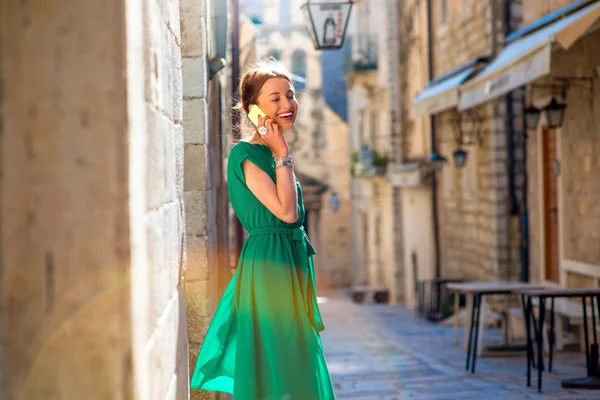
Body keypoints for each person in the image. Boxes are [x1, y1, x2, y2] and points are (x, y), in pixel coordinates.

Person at [190, 63, 335, 400]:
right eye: (275, 98)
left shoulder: (273, 154)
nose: (288, 104)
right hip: (270, 265)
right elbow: (286, 212)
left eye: (290, 95)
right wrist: (283, 154)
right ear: (253, 109)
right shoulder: (246, 154)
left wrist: (281, 153)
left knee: (297, 355)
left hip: (289, 261)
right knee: (282, 357)